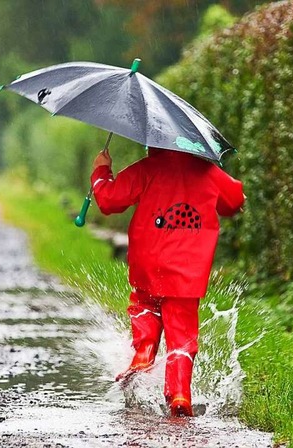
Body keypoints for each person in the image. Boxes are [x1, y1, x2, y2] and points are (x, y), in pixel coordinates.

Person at [90, 145, 245, 418]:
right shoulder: (208, 172)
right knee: (183, 336)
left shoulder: (147, 169)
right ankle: (180, 395)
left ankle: (144, 350)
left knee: (145, 304)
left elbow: (109, 200)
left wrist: (101, 171)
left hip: (149, 262)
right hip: (187, 272)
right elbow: (233, 200)